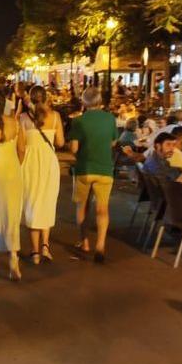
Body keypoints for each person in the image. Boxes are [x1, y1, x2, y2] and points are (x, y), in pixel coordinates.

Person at [67, 87, 117, 264]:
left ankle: (85, 241)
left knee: (82, 206)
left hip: (84, 169)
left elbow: (74, 149)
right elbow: (113, 142)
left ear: (84, 102)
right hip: (105, 169)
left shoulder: (78, 121)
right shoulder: (110, 119)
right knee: (102, 209)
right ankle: (100, 245)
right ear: (100, 101)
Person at [18, 85, 64, 264]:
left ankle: (35, 252)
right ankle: (45, 246)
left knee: (32, 203)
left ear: (29, 99)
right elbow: (60, 142)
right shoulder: (55, 116)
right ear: (46, 98)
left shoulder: (23, 118)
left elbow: (21, 147)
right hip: (49, 163)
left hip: (30, 163)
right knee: (47, 202)